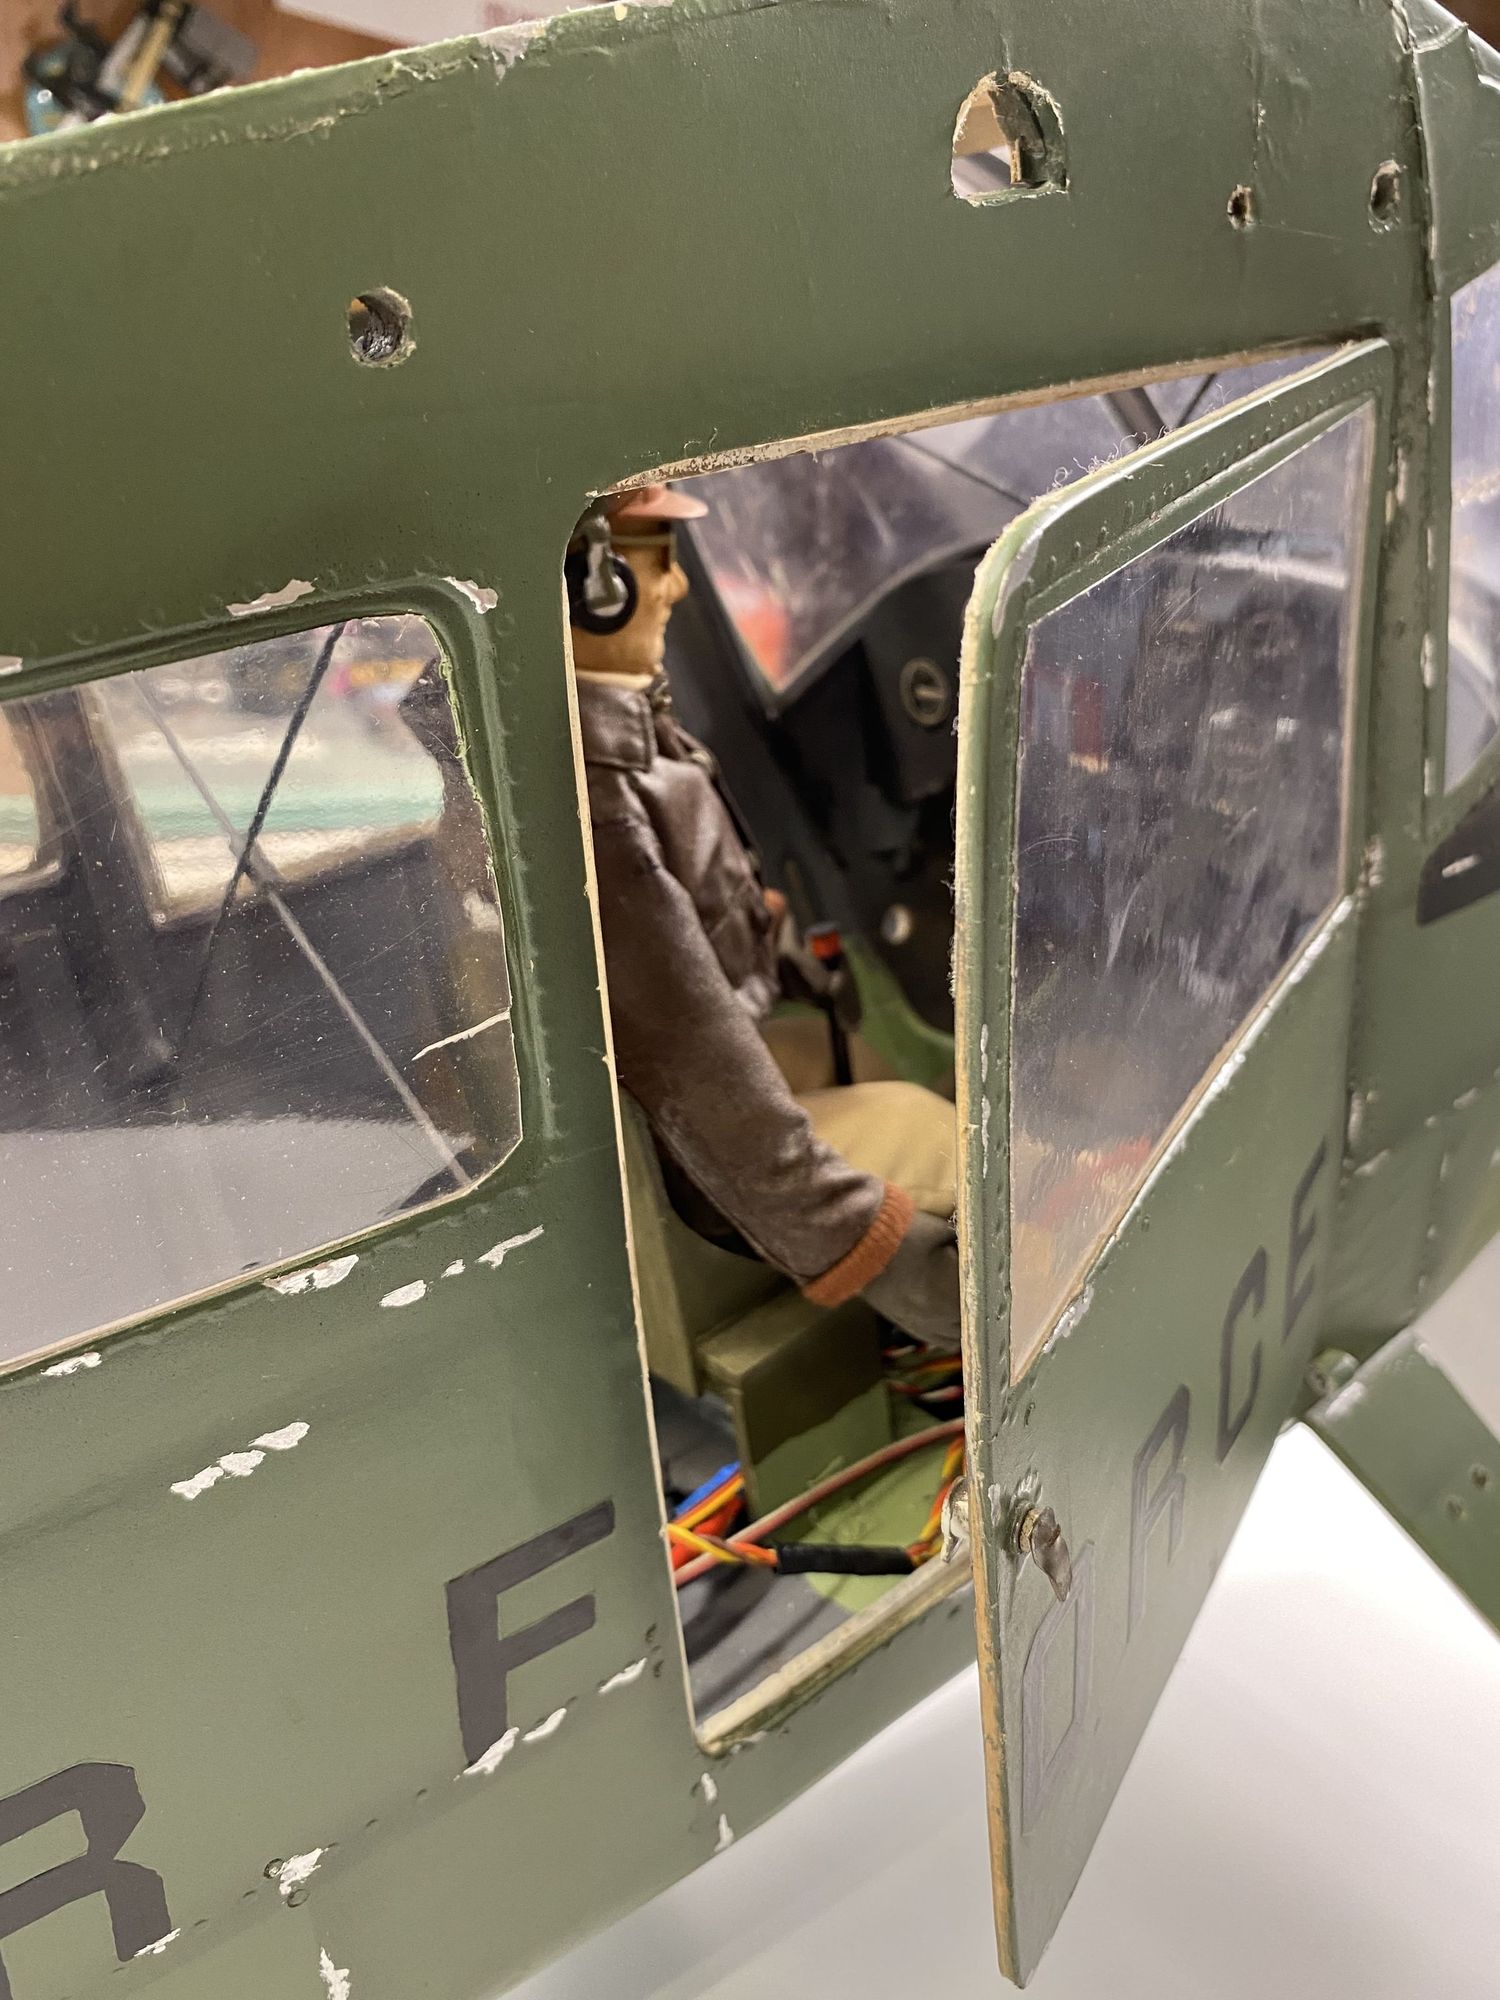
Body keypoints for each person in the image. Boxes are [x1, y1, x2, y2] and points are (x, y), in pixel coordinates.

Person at [568, 483, 961, 1349]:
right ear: (598, 590)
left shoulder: (625, 730)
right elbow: (695, 1072)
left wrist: (760, 945)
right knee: (952, 1146)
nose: (676, 586)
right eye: (658, 562)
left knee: (868, 1056)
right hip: (693, 1151)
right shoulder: (602, 804)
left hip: (704, 1079)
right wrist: (868, 1244)